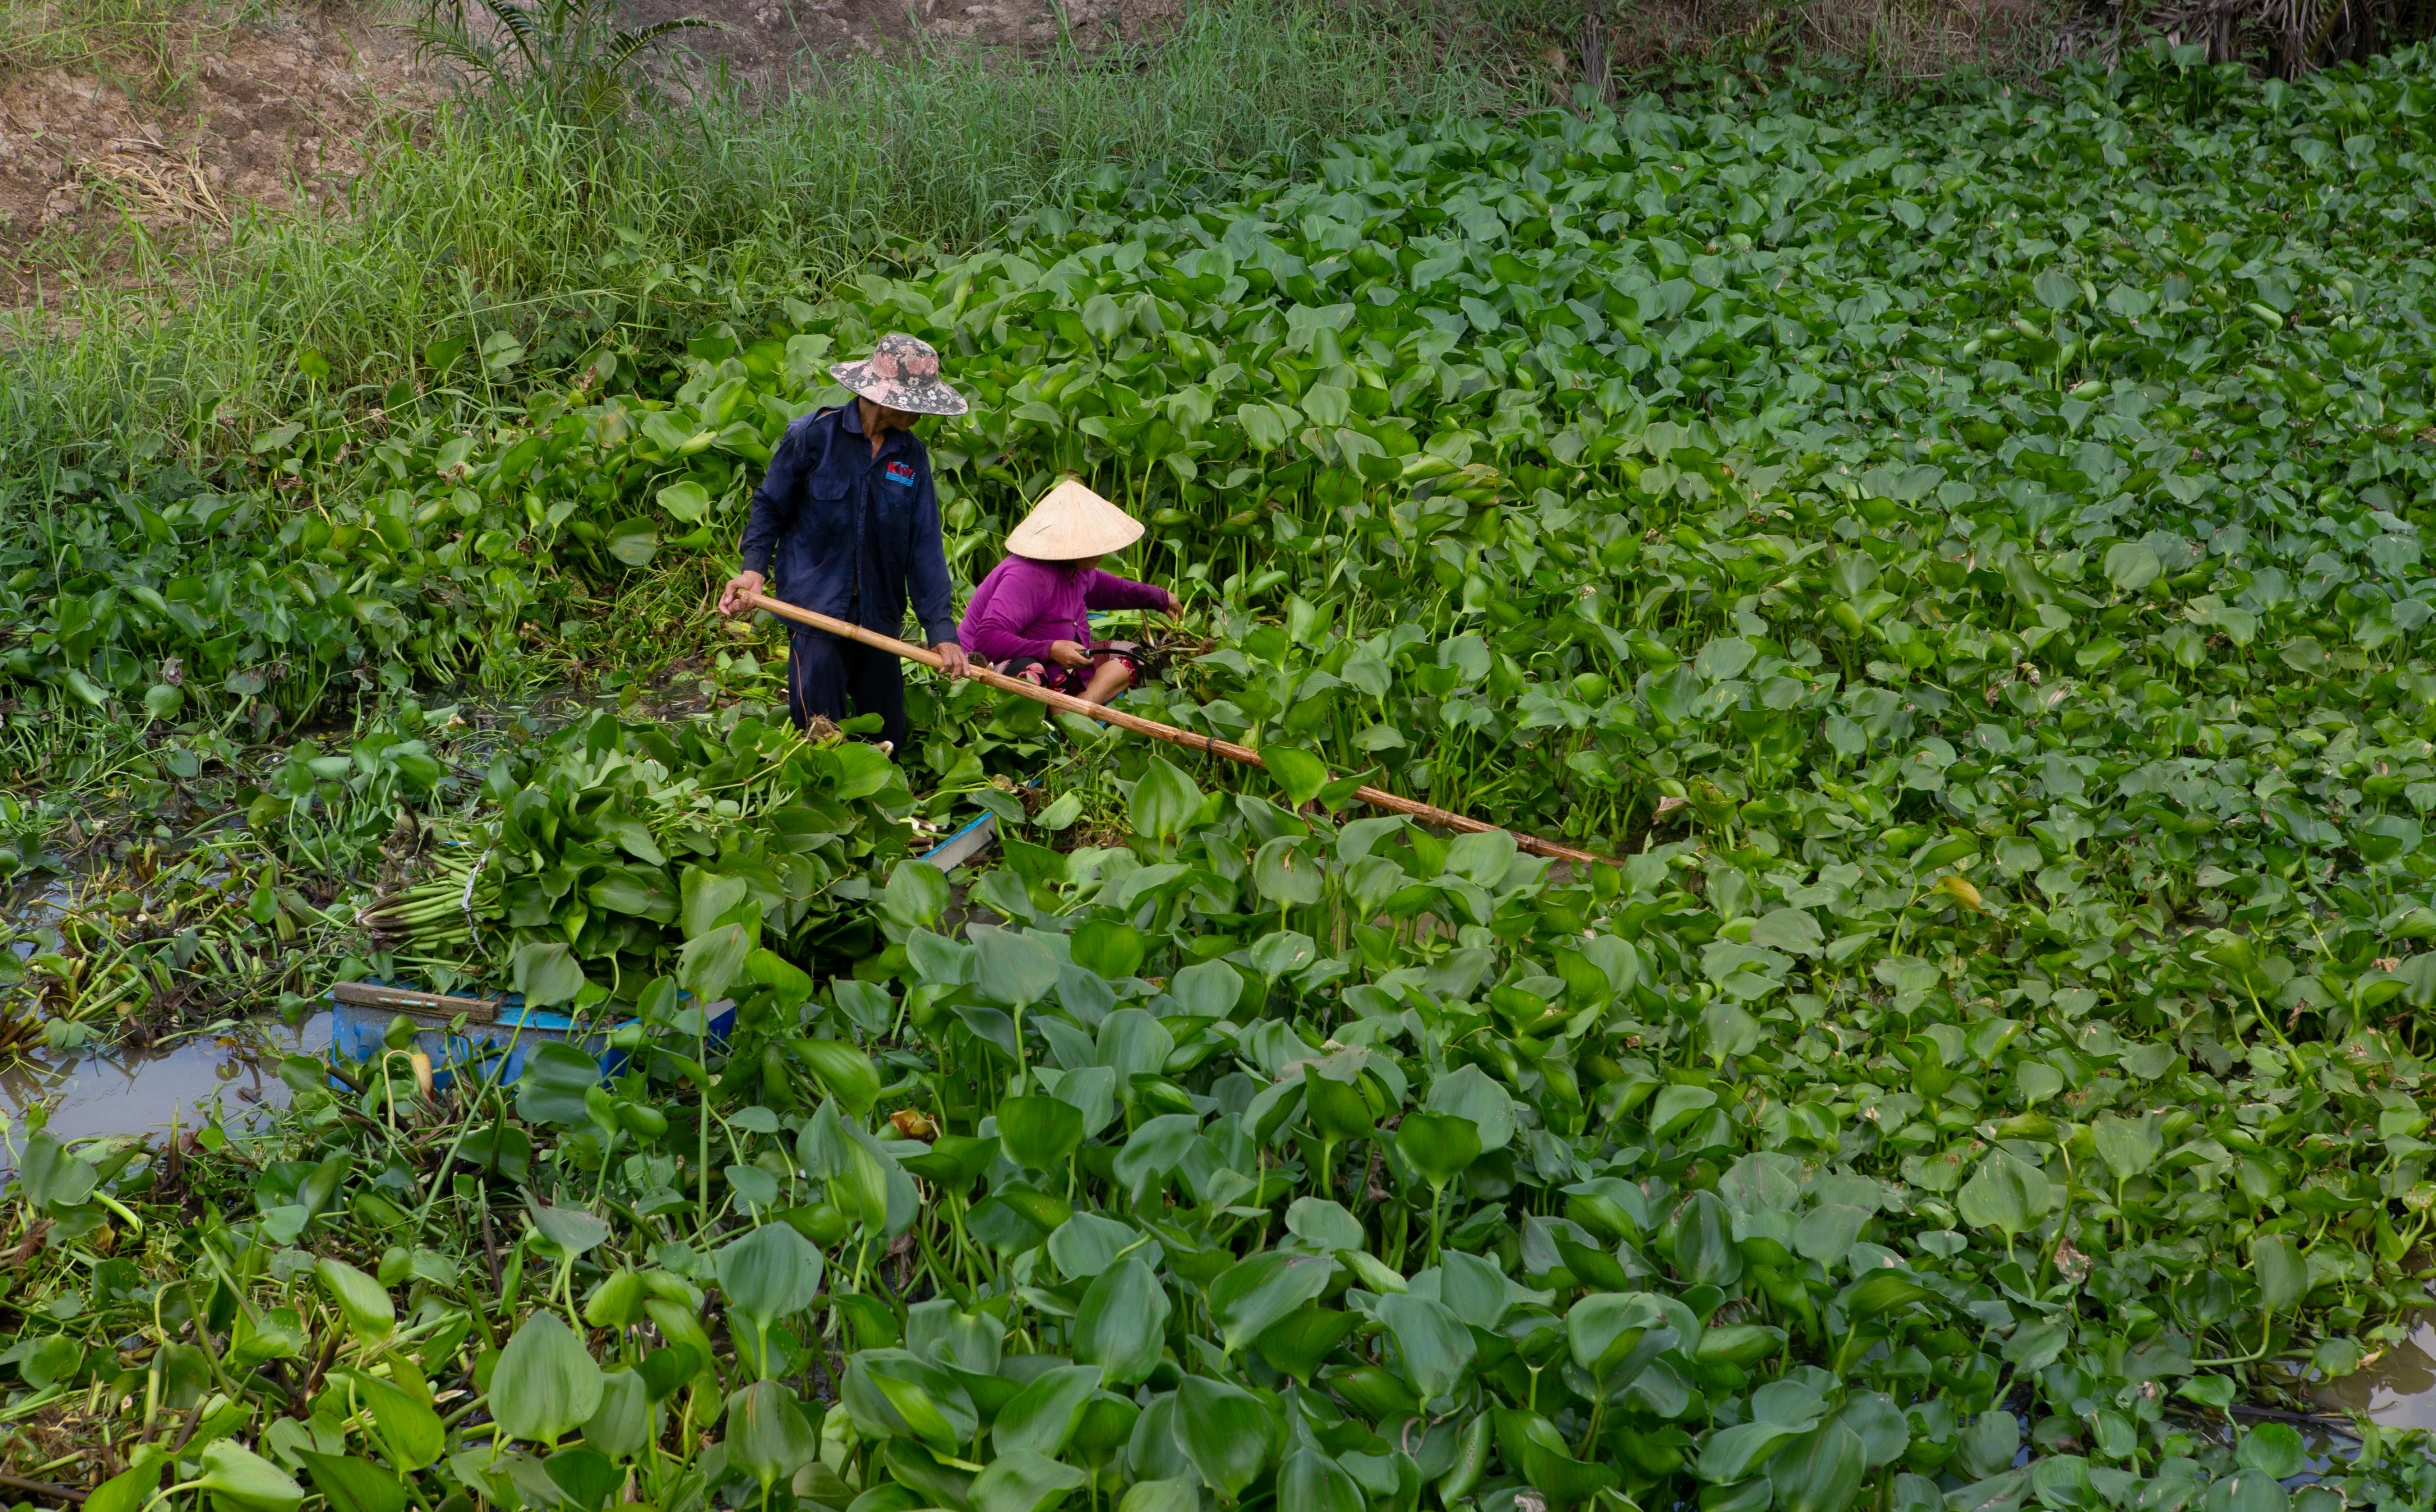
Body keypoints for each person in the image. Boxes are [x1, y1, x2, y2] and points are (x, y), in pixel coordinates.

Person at [718, 334, 971, 749]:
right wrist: (752, 571)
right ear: (881, 396)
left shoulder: (912, 456)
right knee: (820, 731)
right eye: (914, 403)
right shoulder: (812, 437)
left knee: (889, 734)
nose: (922, 413)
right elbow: (769, 506)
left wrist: (941, 630)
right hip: (815, 606)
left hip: (879, 613)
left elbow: (924, 545)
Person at [960, 479, 1180, 706]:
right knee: (1030, 675)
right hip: (997, 663)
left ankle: (1081, 704)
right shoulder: (1026, 576)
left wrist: (1159, 598)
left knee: (1131, 653)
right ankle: (1059, 708)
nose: (1104, 550)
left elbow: (1107, 589)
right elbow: (987, 639)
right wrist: (1050, 649)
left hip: (1062, 665)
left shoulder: (1077, 567)